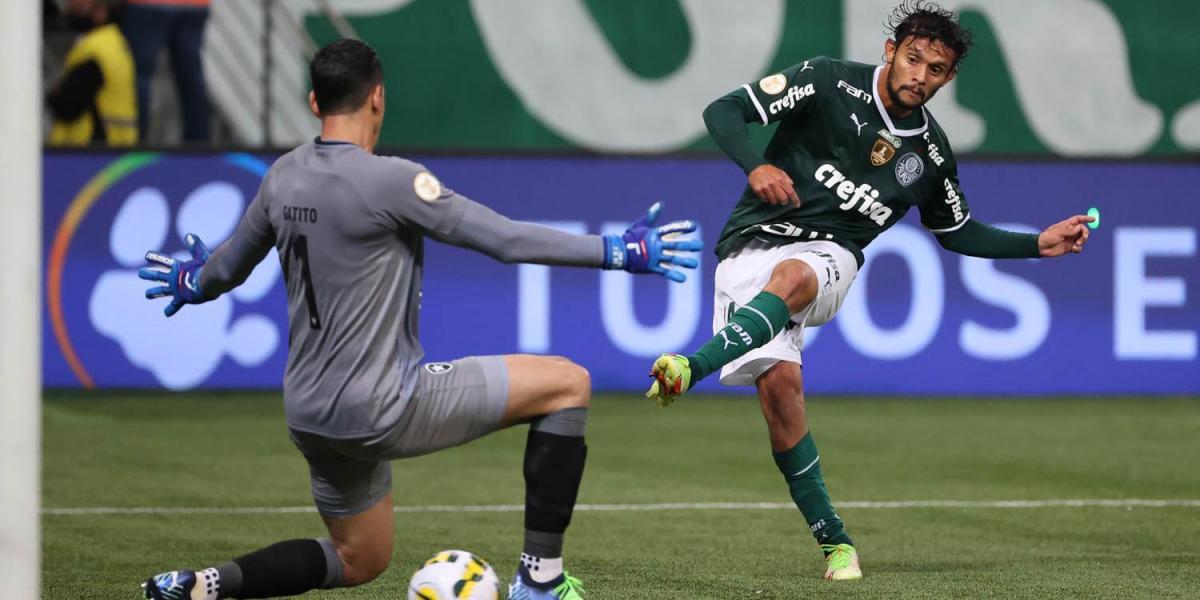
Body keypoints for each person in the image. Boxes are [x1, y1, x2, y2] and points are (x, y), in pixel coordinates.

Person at [137, 39, 701, 600]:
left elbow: (222, 271)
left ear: (314, 102)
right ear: (377, 98)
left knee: (359, 558)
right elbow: (504, 240)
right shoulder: (393, 182)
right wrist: (618, 251)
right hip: (382, 406)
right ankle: (540, 581)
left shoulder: (282, 176)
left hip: (309, 413)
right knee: (567, 383)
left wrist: (189, 282)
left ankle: (203, 585)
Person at [644, 0, 1094, 581]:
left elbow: (957, 231)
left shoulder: (930, 154)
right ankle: (837, 544)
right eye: (913, 59)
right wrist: (755, 165)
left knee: (797, 276)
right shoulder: (826, 80)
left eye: (936, 70)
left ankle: (689, 366)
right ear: (890, 51)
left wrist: (1038, 243)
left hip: (830, 256)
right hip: (750, 247)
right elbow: (724, 110)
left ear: (949, 77)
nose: (920, 76)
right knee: (781, 399)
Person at [46, 0, 138, 146]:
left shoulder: (95, 50)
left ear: (100, 12)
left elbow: (67, 105)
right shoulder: (113, 43)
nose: (69, 9)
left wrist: (53, 95)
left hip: (91, 148)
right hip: (113, 146)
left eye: (78, 6)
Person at [120, 0, 210, 142]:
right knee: (191, 79)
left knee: (139, 76)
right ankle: (200, 146)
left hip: (147, 5)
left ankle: (134, 143)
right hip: (195, 5)